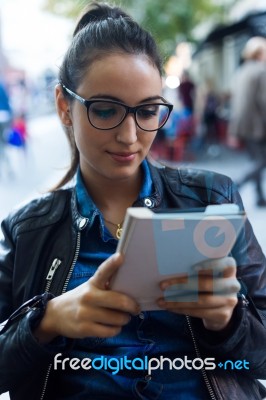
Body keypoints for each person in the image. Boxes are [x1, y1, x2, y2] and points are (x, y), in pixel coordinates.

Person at [0, 2, 266, 399]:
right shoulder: (31, 230)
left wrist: (227, 321)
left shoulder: (212, 199)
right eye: (105, 111)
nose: (130, 135)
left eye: (148, 111)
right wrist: (49, 320)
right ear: (63, 106)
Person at [228, 36, 266, 207]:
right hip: (258, 125)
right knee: (261, 161)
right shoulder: (261, 71)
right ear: (259, 53)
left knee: (256, 159)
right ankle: (237, 184)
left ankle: (259, 197)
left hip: (243, 124)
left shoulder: (241, 71)